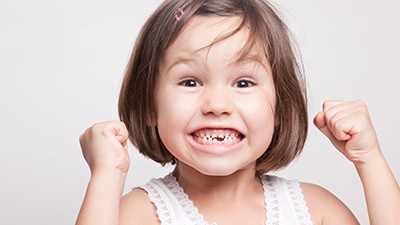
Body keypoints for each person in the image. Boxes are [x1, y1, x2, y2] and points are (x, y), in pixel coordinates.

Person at [76, 0, 400, 224]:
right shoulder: (140, 214)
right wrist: (106, 176)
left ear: (279, 109)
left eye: (243, 83)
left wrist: (369, 161)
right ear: (149, 106)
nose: (217, 105)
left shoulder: (317, 211)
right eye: (190, 81)